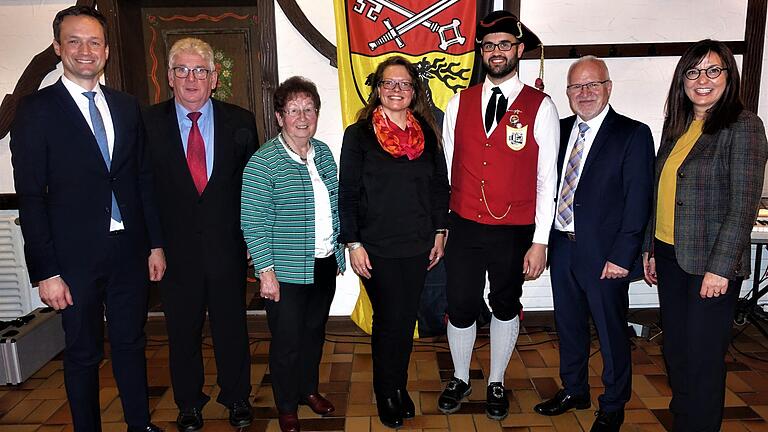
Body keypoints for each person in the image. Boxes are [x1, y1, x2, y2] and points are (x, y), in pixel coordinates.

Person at [10, 6, 165, 432]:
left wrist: (154, 243)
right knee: (82, 353)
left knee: (132, 343)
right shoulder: (36, 111)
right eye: (74, 41)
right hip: (72, 259)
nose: (85, 50)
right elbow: (30, 197)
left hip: (128, 250)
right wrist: (46, 272)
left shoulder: (127, 107)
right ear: (59, 47)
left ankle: (139, 424)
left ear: (107, 51)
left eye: (94, 41)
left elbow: (141, 180)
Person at [437, 10, 559, 421]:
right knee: (461, 303)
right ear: (481, 51)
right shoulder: (459, 103)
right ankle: (458, 376)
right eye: (489, 45)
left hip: (514, 228)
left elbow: (548, 180)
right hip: (465, 224)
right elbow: (451, 168)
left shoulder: (541, 106)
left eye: (505, 44)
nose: (496, 52)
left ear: (519, 50)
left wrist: (541, 241)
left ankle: (496, 381)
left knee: (506, 303)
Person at [642, 39, 768, 432]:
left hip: (709, 265)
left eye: (713, 70)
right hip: (669, 254)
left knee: (703, 357)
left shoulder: (744, 126)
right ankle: (685, 421)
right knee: (677, 352)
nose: (702, 80)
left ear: (729, 76)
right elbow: (660, 190)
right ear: (682, 80)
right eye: (693, 72)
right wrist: (650, 247)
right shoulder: (677, 125)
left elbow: (743, 205)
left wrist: (720, 269)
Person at [532, 56, 654, 432]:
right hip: (563, 246)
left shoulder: (632, 133)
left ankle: (613, 404)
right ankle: (575, 390)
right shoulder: (560, 128)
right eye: (575, 87)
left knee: (610, 330)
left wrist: (622, 256)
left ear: (608, 87)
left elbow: (639, 201)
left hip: (606, 255)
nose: (584, 93)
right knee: (568, 325)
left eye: (592, 85)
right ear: (567, 93)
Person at [142, 37, 257, 431]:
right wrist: (154, 245)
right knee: (182, 330)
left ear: (215, 77)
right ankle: (188, 402)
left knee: (232, 326)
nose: (191, 78)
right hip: (175, 251)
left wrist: (251, 244)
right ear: (170, 78)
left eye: (200, 71)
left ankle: (237, 396)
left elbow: (252, 189)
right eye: (182, 70)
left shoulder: (241, 121)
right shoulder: (148, 123)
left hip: (227, 247)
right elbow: (144, 191)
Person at [338, 56, 450, 429]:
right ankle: (386, 391)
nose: (397, 90)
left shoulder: (428, 132)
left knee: (404, 321)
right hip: (376, 246)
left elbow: (439, 188)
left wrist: (440, 231)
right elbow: (348, 193)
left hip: (418, 243)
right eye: (389, 83)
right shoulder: (359, 135)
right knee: (389, 320)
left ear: (415, 90)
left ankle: (397, 386)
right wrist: (352, 243)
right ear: (377, 89)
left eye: (404, 84)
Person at [241, 76, 345, 432]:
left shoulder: (325, 153)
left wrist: (343, 250)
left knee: (314, 333)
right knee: (287, 341)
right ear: (279, 116)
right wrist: (265, 271)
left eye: (309, 109)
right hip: (284, 270)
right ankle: (287, 405)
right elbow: (253, 221)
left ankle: (308, 390)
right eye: (293, 110)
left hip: (323, 263)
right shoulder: (263, 162)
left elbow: (335, 205)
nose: (302, 117)